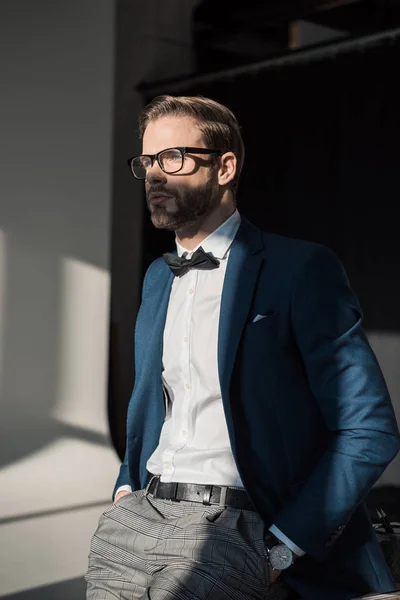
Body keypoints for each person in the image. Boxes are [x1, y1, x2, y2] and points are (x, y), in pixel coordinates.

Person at [86, 95, 400, 600]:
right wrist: (125, 488)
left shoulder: (299, 270)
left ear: (225, 167)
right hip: (133, 524)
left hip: (233, 531)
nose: (154, 175)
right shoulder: (157, 279)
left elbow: (369, 429)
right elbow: (150, 400)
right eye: (146, 162)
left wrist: (283, 548)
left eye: (174, 158)